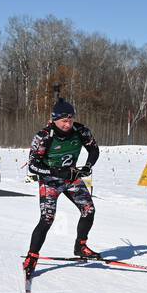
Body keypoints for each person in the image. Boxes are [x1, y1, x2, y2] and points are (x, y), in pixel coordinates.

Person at [22, 97, 101, 276]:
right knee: (47, 218)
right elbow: (33, 165)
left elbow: (94, 149)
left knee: (89, 210)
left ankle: (80, 246)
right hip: (50, 181)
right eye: (64, 120)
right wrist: (55, 172)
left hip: (71, 179)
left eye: (70, 119)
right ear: (54, 119)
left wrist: (88, 166)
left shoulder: (80, 131)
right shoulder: (44, 136)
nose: (68, 124)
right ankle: (32, 257)